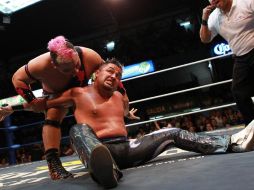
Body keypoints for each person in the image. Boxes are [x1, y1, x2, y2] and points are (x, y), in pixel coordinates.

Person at [2, 58, 254, 188]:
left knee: (174, 131)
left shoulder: (119, 96)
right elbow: (41, 104)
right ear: (96, 73)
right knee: (77, 128)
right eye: (110, 71)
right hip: (99, 149)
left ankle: (231, 143)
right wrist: (9, 109)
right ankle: (106, 172)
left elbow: (122, 112)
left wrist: (127, 113)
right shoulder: (76, 94)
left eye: (118, 75)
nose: (114, 76)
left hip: (129, 148)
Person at [0, 36, 130, 180]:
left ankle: (105, 151)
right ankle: (54, 163)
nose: (75, 71)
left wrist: (123, 95)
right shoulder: (40, 65)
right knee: (52, 116)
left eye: (77, 64)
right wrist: (32, 100)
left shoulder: (90, 56)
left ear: (75, 52)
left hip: (82, 90)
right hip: (54, 94)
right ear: (54, 65)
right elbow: (17, 78)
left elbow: (110, 72)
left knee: (100, 105)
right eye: (68, 69)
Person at [200, 0, 254, 125]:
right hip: (240, 58)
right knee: (238, 93)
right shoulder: (214, 17)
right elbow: (205, 39)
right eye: (212, 0)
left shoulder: (245, 2)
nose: (214, 2)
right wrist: (204, 19)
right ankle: (252, 126)